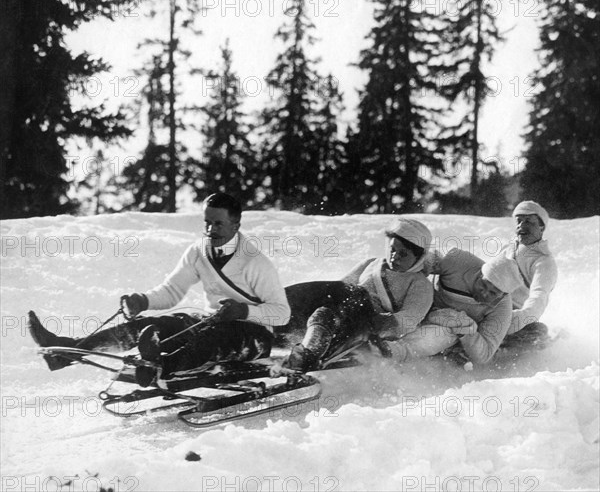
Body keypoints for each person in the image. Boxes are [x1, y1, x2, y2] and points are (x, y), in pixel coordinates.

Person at [28, 193, 291, 386]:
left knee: (210, 340)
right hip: (210, 321)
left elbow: (281, 314)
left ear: (236, 225)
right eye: (206, 223)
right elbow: (173, 290)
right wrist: (143, 301)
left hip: (253, 336)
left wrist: (243, 311)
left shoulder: (255, 262)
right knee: (157, 324)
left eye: (218, 224)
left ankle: (159, 366)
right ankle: (67, 350)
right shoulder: (198, 252)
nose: (210, 230)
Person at [274, 218, 434, 373]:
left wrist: (376, 324)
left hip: (367, 325)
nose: (394, 257)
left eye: (403, 254)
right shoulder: (371, 263)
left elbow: (409, 319)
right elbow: (337, 289)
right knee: (328, 300)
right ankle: (266, 322)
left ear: (418, 257)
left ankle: (310, 353)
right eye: (393, 250)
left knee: (357, 293)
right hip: (341, 314)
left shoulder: (420, 284)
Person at [383, 249, 524, 366]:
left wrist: (465, 328)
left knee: (444, 333)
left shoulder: (502, 308)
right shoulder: (459, 262)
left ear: (502, 295)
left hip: (446, 332)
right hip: (422, 305)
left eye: (493, 293)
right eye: (483, 285)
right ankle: (372, 329)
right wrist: (428, 262)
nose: (485, 293)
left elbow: (484, 355)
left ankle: (390, 351)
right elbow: (420, 262)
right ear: (480, 273)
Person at [501, 201, 557, 345]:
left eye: (529, 222)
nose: (521, 226)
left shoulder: (544, 262)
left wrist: (520, 318)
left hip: (511, 314)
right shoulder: (509, 248)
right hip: (487, 304)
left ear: (541, 227)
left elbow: (539, 296)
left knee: (538, 331)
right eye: (519, 221)